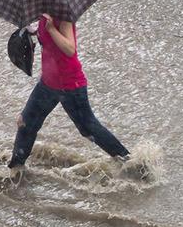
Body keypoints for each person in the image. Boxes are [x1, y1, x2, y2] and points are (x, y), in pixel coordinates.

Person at [8, 13, 130, 174]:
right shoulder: (44, 15)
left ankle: (128, 162)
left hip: (70, 85)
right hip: (48, 83)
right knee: (25, 123)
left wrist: (51, 29)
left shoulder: (63, 15)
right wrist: (32, 30)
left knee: (88, 128)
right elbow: (47, 41)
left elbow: (69, 49)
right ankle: (15, 169)